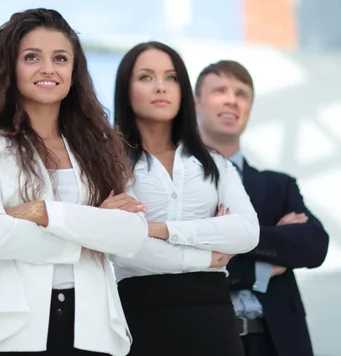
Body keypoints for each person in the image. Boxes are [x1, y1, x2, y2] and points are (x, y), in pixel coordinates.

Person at [0, 8, 166, 355]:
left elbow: (131, 235)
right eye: (32, 57)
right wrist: (92, 228)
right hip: (15, 330)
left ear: (73, 72)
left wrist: (43, 212)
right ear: (10, 69)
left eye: (60, 58)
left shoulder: (100, 151)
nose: (48, 68)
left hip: (93, 330)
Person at [111, 41, 260, 355]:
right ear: (126, 89)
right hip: (139, 316)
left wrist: (156, 229)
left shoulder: (215, 162)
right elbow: (122, 248)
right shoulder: (108, 162)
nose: (161, 88)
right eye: (146, 77)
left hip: (214, 317)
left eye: (172, 78)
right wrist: (207, 257)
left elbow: (247, 231)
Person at [194, 60, 329, 356]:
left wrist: (226, 236)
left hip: (277, 342)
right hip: (206, 338)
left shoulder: (279, 185)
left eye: (242, 94)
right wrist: (264, 268)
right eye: (220, 91)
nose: (232, 99)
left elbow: (314, 246)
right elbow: (185, 256)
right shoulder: (177, 182)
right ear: (196, 103)